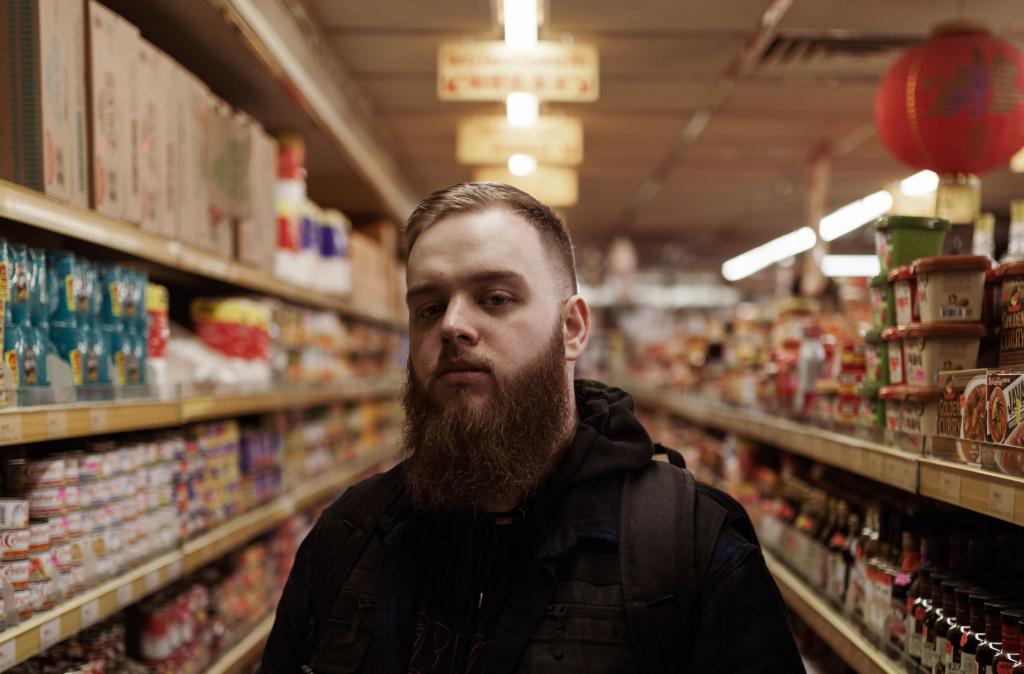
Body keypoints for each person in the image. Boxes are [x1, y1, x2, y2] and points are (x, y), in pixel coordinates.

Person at [258, 182, 806, 674]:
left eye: (495, 298)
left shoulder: (690, 550)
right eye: (428, 307)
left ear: (571, 329)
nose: (452, 325)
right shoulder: (347, 536)